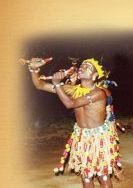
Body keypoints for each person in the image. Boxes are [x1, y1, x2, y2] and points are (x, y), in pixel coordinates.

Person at [28, 58, 121, 188]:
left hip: (98, 139)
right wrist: (33, 69)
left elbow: (70, 104)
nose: (82, 67)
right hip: (82, 137)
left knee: (102, 176)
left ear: (95, 76)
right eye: (82, 66)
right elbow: (40, 85)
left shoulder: (98, 93)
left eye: (88, 67)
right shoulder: (74, 90)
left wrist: (58, 84)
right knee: (86, 176)